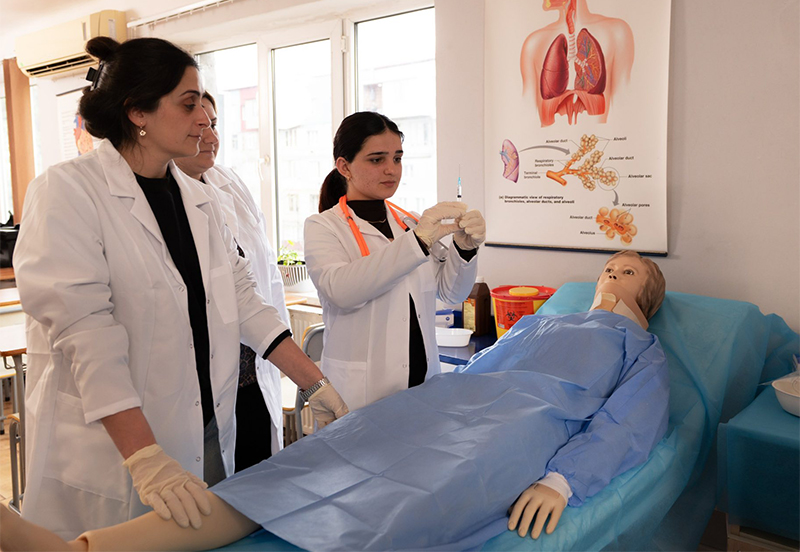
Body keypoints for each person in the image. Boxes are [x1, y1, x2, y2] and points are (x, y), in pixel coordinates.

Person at [0, 251, 669, 552]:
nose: (611, 273)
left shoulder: (641, 350)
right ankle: (81, 551)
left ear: (649, 294)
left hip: (523, 424)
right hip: (451, 403)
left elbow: (626, 426)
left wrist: (560, 480)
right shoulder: (542, 322)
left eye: (627, 270)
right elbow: (482, 367)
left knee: (414, 494)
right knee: (309, 464)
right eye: (608, 266)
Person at [11, 36, 348, 541]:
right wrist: (144, 456)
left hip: (202, 428)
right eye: (189, 104)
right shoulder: (67, 192)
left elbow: (243, 298)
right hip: (116, 447)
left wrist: (314, 383)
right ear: (138, 112)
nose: (204, 119)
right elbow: (87, 336)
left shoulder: (198, 199)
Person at [304, 111, 485, 410]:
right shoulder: (323, 226)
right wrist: (417, 243)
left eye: (397, 158)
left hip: (423, 389)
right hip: (361, 397)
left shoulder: (410, 223)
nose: (391, 170)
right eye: (377, 159)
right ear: (344, 166)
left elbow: (452, 293)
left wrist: (464, 250)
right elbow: (341, 291)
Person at [174, 93, 288, 471]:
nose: (211, 136)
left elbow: (261, 279)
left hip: (254, 372)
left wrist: (303, 373)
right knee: (214, 489)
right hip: (202, 387)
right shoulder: (161, 200)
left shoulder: (230, 183)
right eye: (199, 125)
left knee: (259, 478)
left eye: (214, 124)